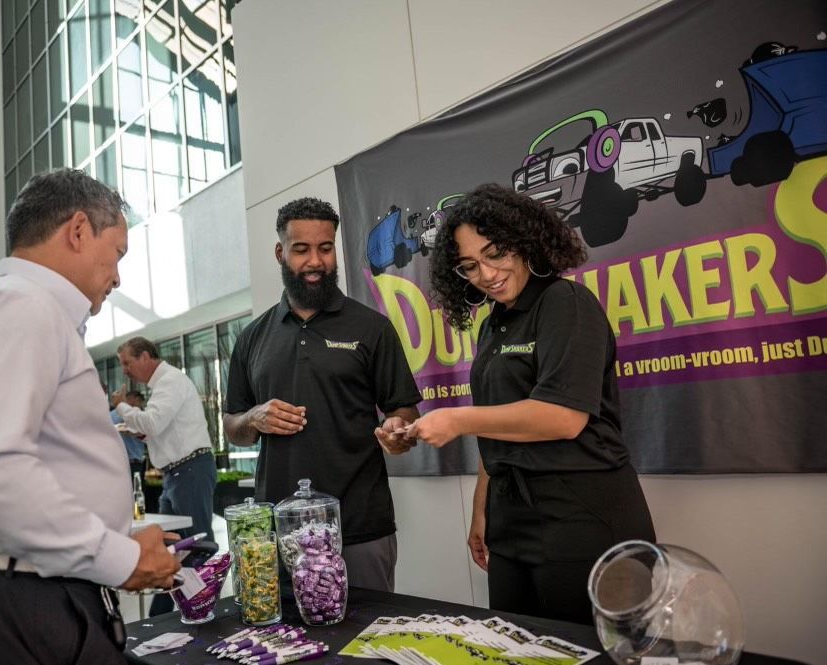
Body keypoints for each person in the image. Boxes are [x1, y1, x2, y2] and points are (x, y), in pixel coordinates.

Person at [0, 169, 179, 665]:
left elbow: (38, 464)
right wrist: (119, 557)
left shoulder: (26, 310)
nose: (119, 275)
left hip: (31, 592)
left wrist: (114, 535)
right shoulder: (17, 304)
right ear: (79, 230)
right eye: (119, 252)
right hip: (18, 602)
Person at [404, 183, 655, 624]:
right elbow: (498, 423)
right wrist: (482, 509)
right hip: (512, 523)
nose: (486, 274)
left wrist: (457, 419)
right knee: (516, 656)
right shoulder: (493, 325)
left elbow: (563, 417)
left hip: (582, 516)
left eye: (495, 252)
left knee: (591, 662)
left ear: (525, 241)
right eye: (469, 266)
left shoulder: (566, 302)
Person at [223, 197, 421, 592]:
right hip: (278, 533)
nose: (315, 261)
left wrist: (399, 430)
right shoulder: (251, 339)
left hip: (361, 529)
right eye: (301, 250)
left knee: (366, 648)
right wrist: (253, 418)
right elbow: (232, 426)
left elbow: (404, 409)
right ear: (281, 253)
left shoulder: (372, 328)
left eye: (325, 248)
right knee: (284, 648)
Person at [112, 337, 216, 615]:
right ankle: (161, 616)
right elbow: (157, 429)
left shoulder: (170, 381)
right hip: (176, 474)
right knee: (171, 549)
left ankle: (203, 611)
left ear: (145, 356)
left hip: (189, 470)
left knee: (197, 546)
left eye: (127, 363)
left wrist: (122, 406)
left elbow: (154, 422)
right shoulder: (162, 386)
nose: (125, 370)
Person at [111, 389, 147, 480]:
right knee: (136, 490)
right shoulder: (133, 415)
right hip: (133, 462)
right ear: (134, 400)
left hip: (116, 461)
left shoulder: (111, 415)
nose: (140, 406)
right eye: (140, 402)